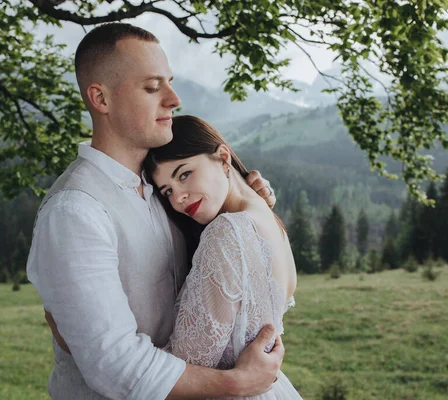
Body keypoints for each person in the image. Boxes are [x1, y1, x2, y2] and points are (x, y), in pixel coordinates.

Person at [26, 23, 284, 399]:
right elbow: (114, 364)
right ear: (101, 99)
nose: (174, 99)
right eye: (152, 87)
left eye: (170, 82)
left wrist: (246, 200)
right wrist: (235, 383)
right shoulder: (75, 212)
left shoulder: (166, 190)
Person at [144, 115, 301, 399]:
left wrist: (110, 351)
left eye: (184, 174)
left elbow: (189, 361)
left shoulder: (228, 231)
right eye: (167, 190)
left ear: (223, 157)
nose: (178, 197)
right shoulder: (269, 220)